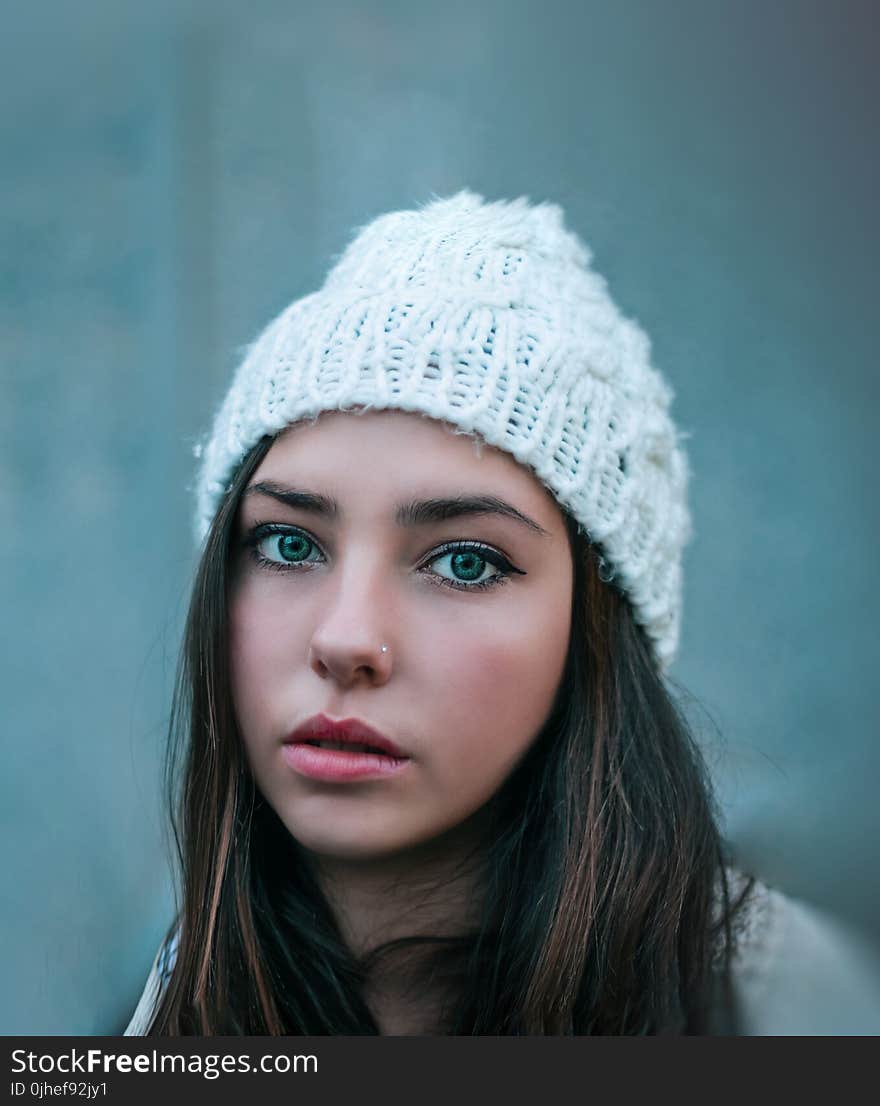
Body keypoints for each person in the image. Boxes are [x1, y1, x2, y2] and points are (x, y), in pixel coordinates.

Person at [124, 190, 880, 1035]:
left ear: (594, 634)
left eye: (465, 562)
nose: (345, 640)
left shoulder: (806, 1011)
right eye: (290, 546)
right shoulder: (167, 1014)